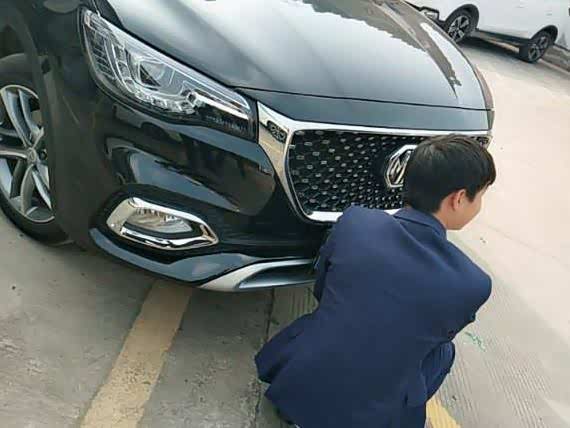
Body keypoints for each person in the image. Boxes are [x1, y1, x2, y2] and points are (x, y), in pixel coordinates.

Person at [255, 135, 497, 428]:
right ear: (458, 199)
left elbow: (322, 289)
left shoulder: (355, 221)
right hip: (370, 416)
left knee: (339, 313)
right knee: (443, 352)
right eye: (480, 196)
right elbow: (431, 337)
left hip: (299, 384)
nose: (479, 205)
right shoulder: (472, 283)